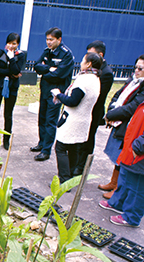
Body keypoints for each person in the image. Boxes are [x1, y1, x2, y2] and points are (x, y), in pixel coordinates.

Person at [99, 55, 144, 199]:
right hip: (119, 123)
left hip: (129, 126)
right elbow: (117, 96)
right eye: (135, 67)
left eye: (140, 68)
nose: (136, 70)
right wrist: (111, 109)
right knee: (116, 155)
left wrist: (111, 115)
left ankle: (118, 189)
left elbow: (132, 108)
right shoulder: (132, 80)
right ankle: (113, 182)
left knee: (123, 157)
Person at [52, 53, 101, 184]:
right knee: (73, 148)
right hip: (84, 119)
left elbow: (73, 101)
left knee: (60, 148)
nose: (81, 63)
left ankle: (64, 179)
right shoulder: (96, 79)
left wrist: (59, 94)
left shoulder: (84, 80)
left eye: (83, 60)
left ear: (89, 63)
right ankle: (70, 176)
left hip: (73, 119)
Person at [32, 27, 74, 161]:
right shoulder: (47, 51)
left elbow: (59, 74)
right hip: (45, 90)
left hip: (56, 92)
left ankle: (46, 150)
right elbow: (36, 66)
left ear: (59, 39)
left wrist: (46, 72)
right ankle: (41, 143)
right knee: (42, 118)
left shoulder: (66, 54)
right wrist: (49, 68)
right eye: (47, 39)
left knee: (50, 121)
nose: (48, 42)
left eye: (51, 39)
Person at [99, 102, 144, 227]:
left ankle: (131, 217)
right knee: (125, 179)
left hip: (139, 152)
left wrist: (138, 147)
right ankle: (117, 203)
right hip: (131, 148)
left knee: (138, 187)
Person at [74, 41, 114, 175]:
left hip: (93, 112)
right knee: (79, 138)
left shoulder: (106, 73)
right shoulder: (89, 70)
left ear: (100, 55)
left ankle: (81, 167)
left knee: (88, 138)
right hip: (82, 110)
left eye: (90, 54)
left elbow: (98, 95)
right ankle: (75, 163)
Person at [0, 32, 26, 150]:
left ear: (17, 44)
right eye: (9, 43)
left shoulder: (20, 55)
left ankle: (6, 140)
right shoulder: (0, 53)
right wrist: (12, 73)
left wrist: (12, 58)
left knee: (8, 115)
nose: (11, 46)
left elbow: (16, 69)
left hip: (12, 88)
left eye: (14, 43)